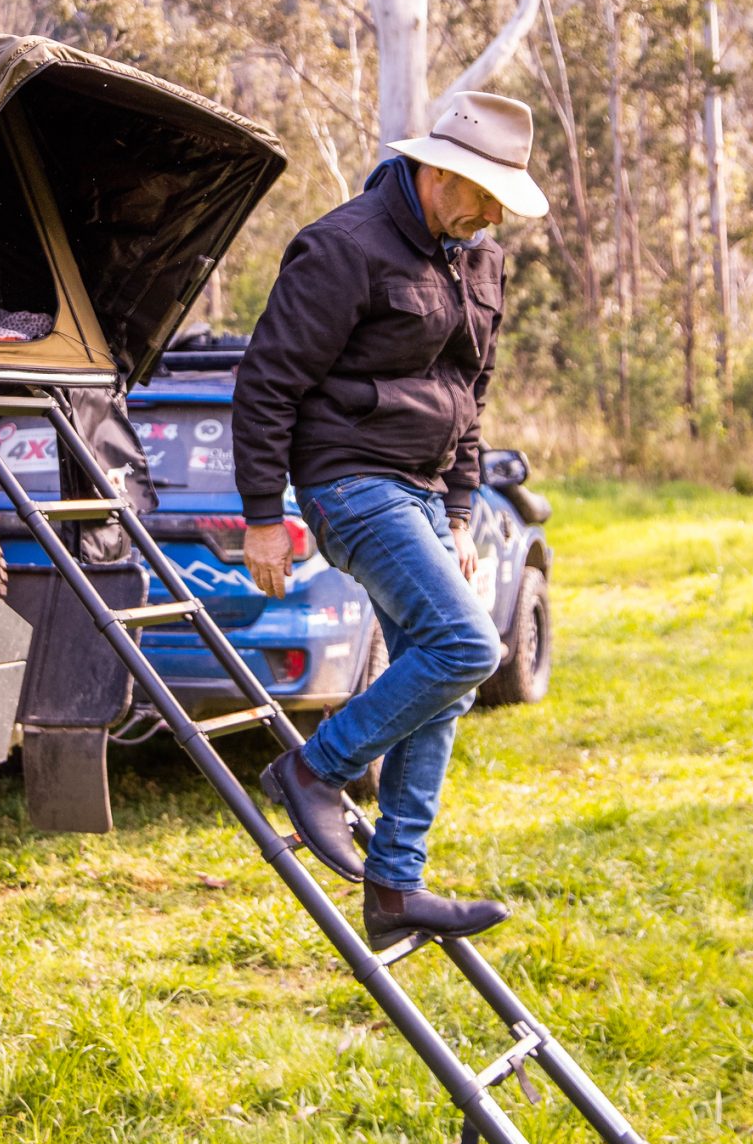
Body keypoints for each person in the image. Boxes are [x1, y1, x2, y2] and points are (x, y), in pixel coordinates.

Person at [232, 92, 548, 948]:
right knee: (470, 647)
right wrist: (264, 513)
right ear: (439, 171)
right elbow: (267, 385)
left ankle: (396, 888)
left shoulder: (479, 262)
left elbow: (468, 402)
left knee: (433, 678)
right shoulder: (345, 247)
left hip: (421, 493)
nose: (489, 219)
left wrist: (457, 513)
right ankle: (314, 768)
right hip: (348, 481)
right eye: (482, 197)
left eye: (500, 205)